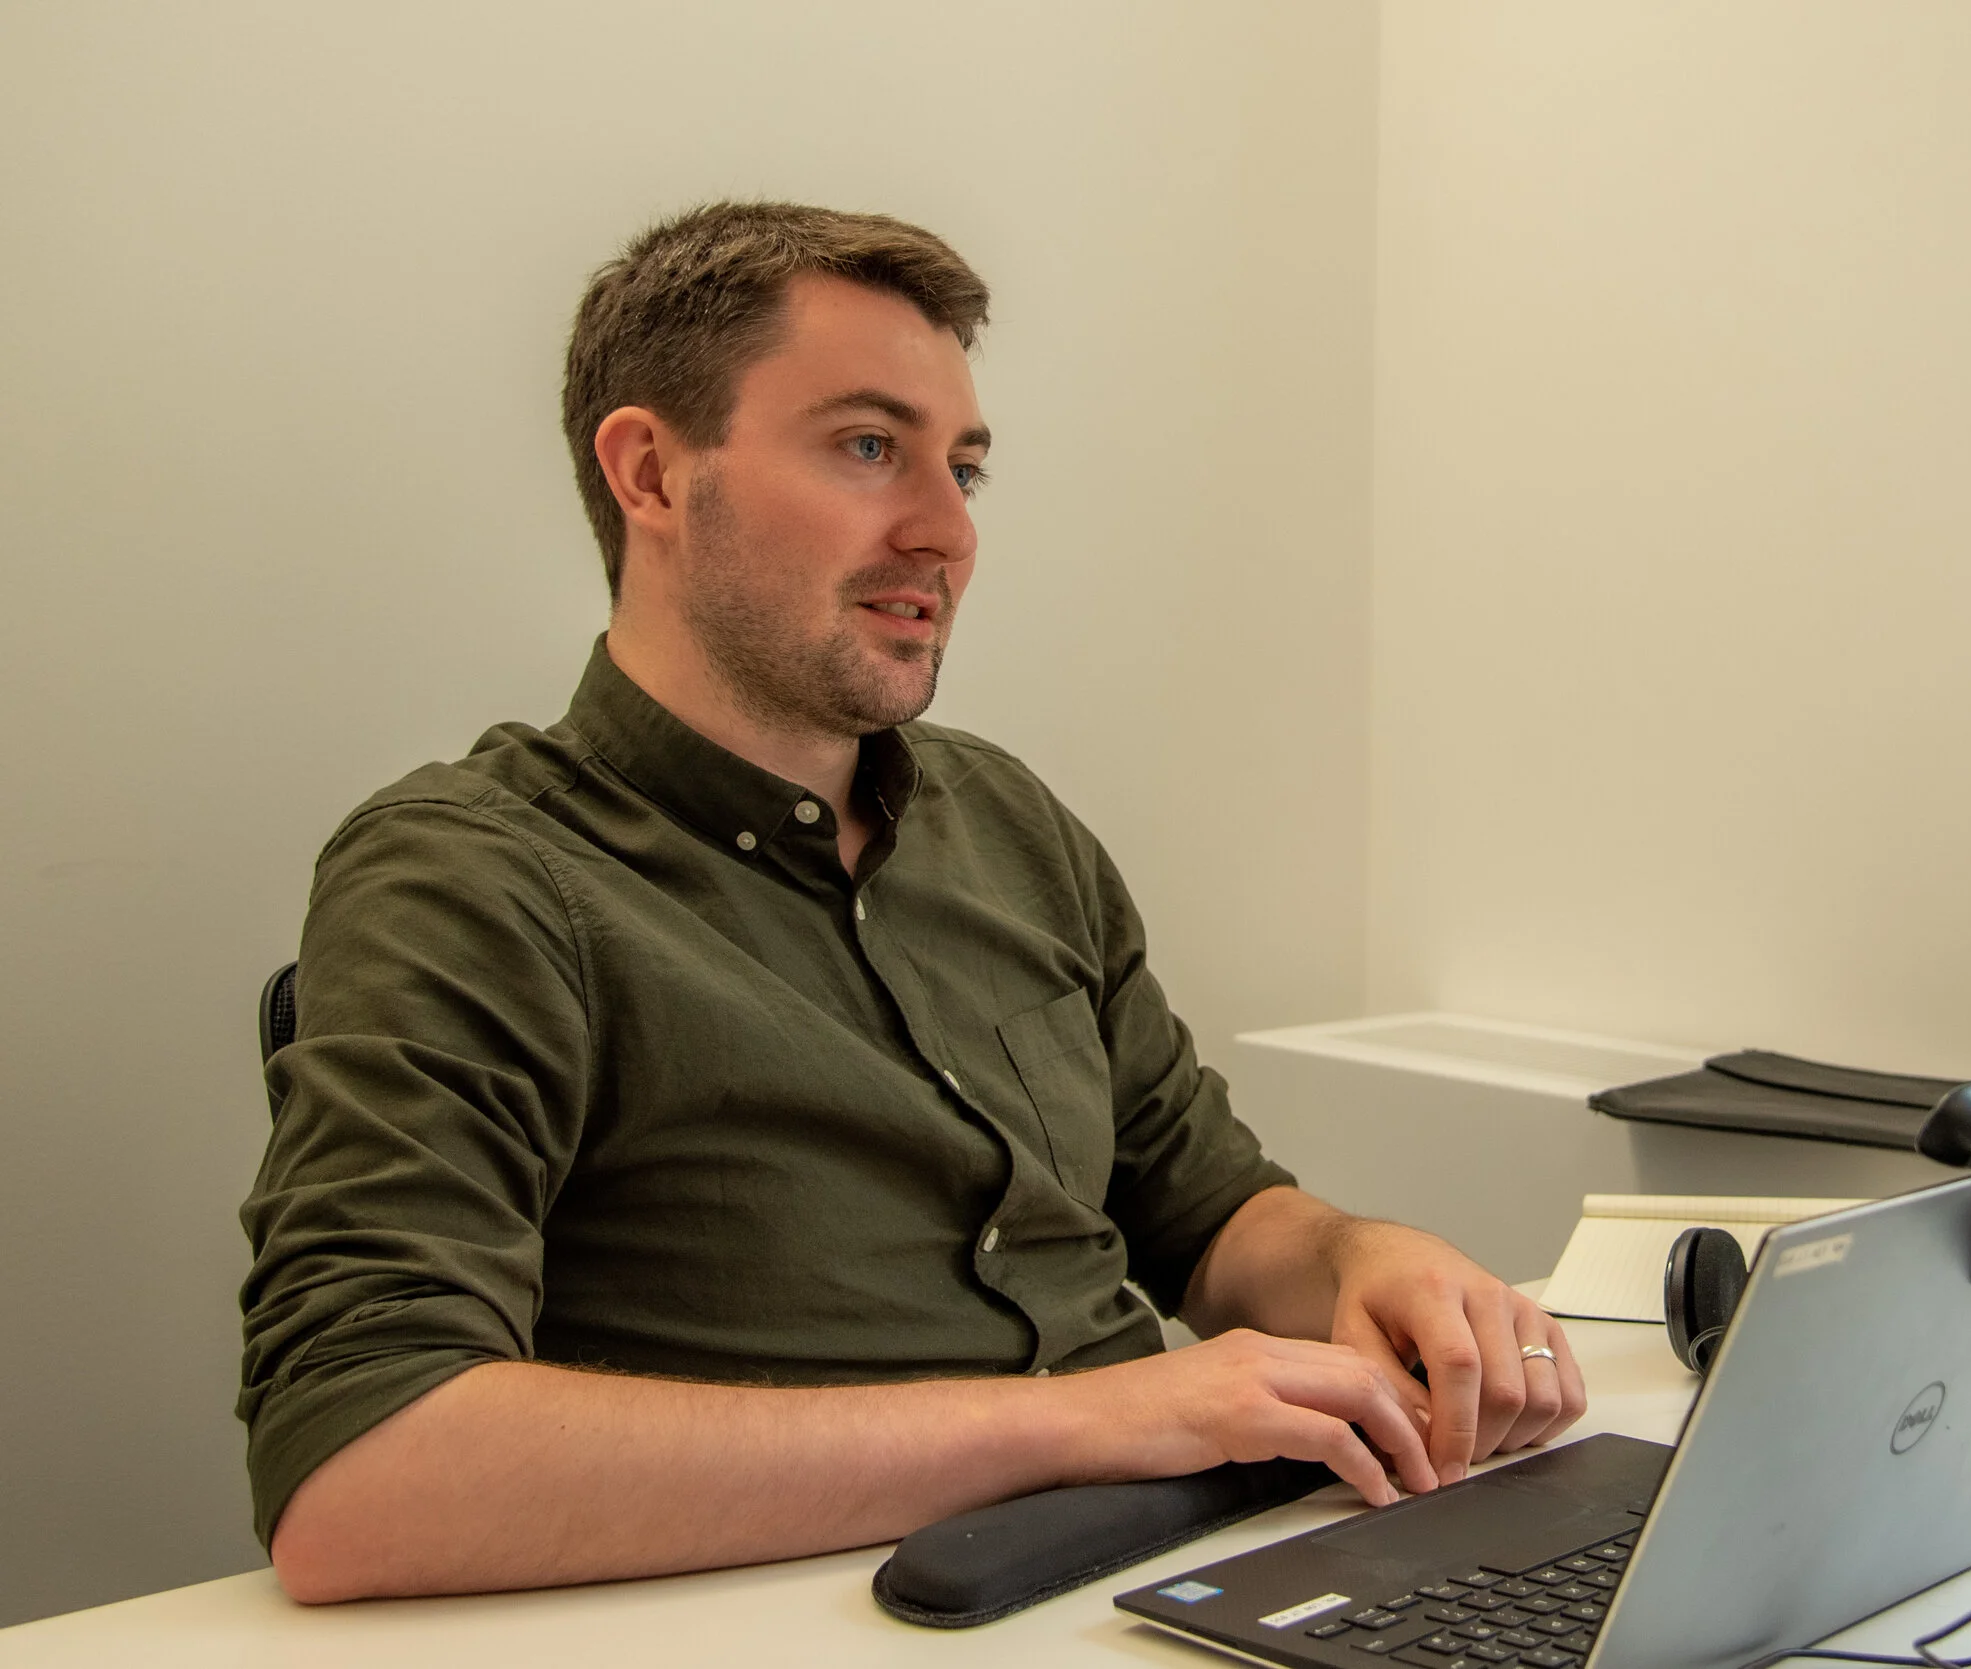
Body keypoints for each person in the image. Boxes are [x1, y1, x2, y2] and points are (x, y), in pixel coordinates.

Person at [239, 202, 1584, 1605]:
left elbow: (1210, 1213)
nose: (947, 532)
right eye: (869, 448)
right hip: (842, 1610)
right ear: (652, 473)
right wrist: (1088, 1423)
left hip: (1181, 1568)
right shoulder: (474, 876)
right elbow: (362, 1479)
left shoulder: (1005, 823)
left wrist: (1364, 1259)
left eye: (966, 468)